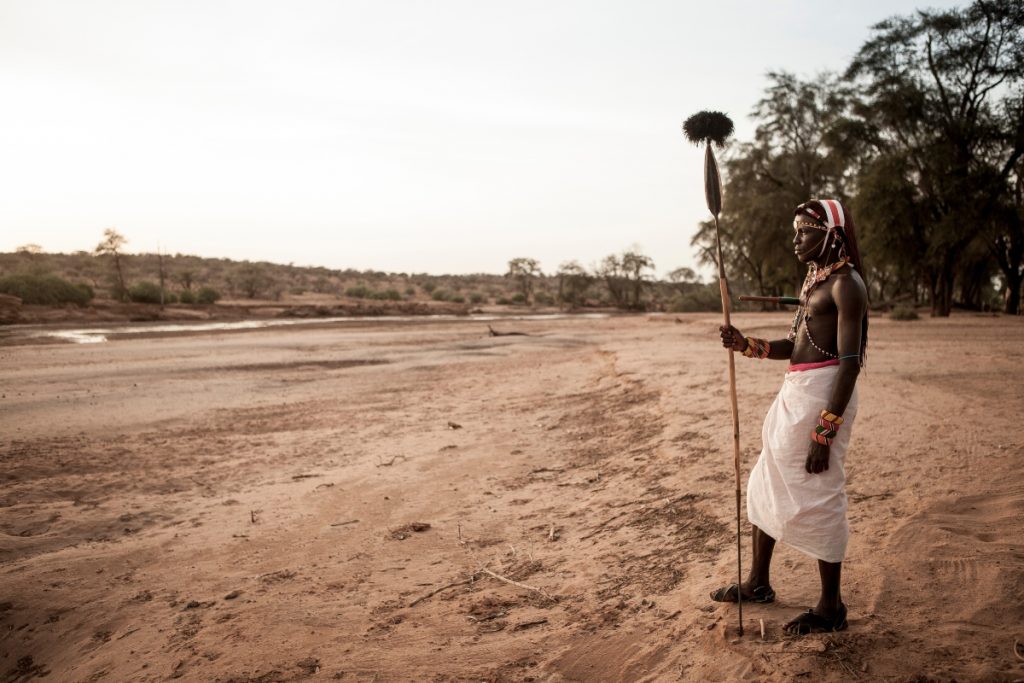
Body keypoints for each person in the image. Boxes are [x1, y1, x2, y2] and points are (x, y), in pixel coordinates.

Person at [710, 198, 868, 635]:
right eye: (795, 230)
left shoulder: (846, 286)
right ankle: (759, 582)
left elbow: (849, 363)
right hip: (796, 392)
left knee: (819, 493)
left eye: (805, 230)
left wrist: (825, 430)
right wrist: (746, 344)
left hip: (823, 398)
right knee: (766, 480)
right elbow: (796, 346)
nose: (796, 239)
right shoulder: (815, 279)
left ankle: (831, 607)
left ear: (831, 234)